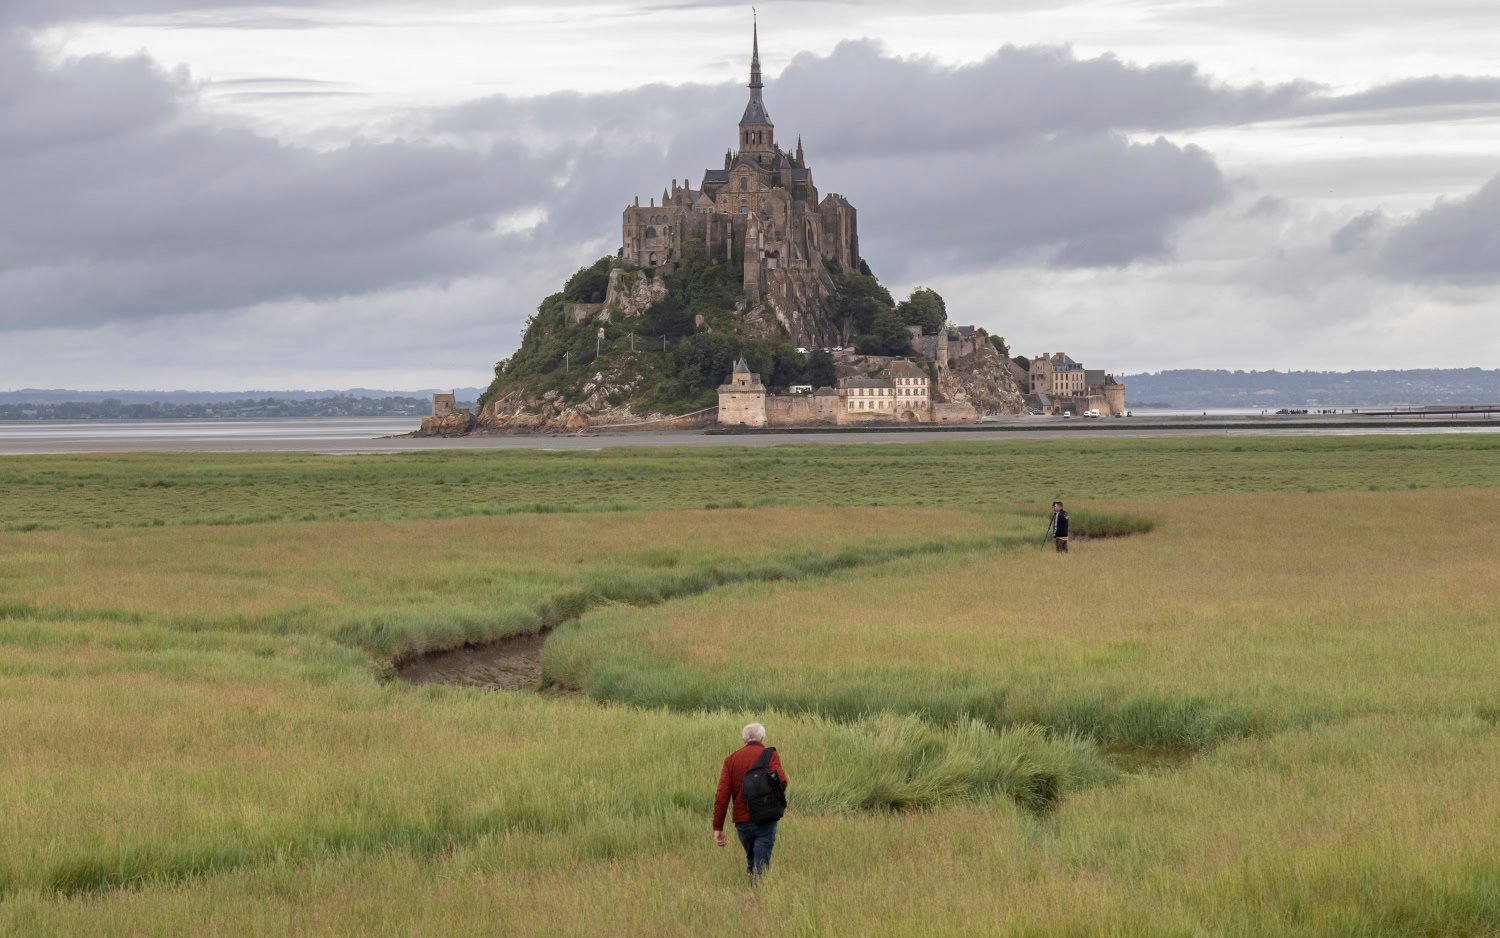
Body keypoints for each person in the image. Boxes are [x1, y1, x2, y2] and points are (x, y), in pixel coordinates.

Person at [712, 722, 787, 882]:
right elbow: (782, 780)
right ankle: (757, 891)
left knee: (752, 857)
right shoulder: (770, 756)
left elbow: (722, 796)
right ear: (762, 738)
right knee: (760, 863)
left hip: (742, 821)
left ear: (744, 740)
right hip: (765, 817)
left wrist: (718, 827)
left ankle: (751, 891)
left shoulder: (731, 760)